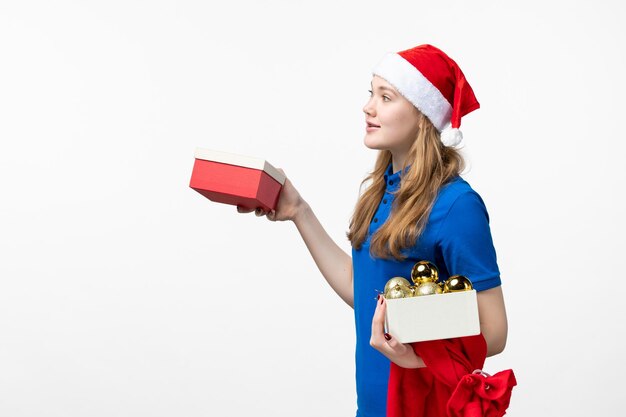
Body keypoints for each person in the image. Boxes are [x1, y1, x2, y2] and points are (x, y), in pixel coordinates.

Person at [237, 44, 508, 417]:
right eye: (371, 93)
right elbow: (363, 290)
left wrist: (417, 359)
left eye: (386, 97)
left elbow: (494, 332)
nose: (369, 108)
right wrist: (299, 211)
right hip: (374, 405)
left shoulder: (457, 205)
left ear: (423, 114)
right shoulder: (383, 190)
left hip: (423, 406)